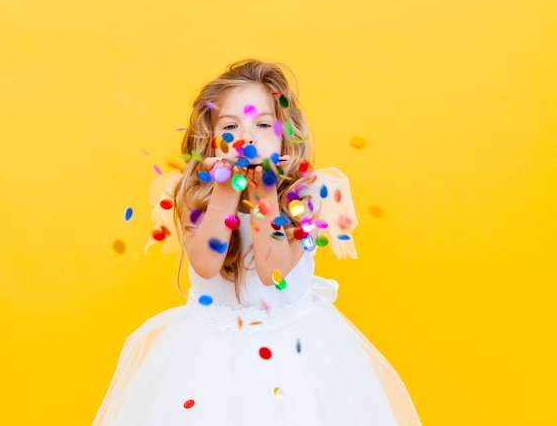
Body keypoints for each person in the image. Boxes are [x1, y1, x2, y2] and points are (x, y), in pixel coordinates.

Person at [93, 59, 421, 425]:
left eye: (262, 124)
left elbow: (273, 271)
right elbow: (205, 264)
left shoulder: (308, 194)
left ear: (285, 135)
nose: (246, 137)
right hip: (207, 356)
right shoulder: (191, 192)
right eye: (231, 126)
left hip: (293, 354)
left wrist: (266, 193)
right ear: (211, 139)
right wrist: (223, 190)